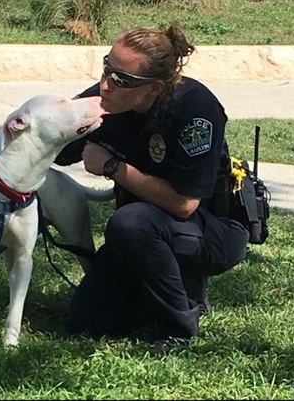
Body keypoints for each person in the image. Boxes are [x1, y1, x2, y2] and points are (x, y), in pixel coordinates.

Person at [54, 23, 249, 352]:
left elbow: (185, 204)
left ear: (155, 89)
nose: (105, 85)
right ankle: (154, 290)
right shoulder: (108, 98)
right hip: (140, 236)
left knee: (131, 221)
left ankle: (180, 323)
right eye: (106, 68)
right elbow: (57, 148)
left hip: (209, 230)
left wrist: (112, 167)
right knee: (87, 322)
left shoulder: (195, 109)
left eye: (120, 80)